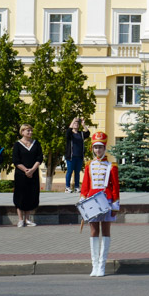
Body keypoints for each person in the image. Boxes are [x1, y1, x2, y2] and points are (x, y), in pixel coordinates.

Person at [80, 132, 120, 277]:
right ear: (92, 149)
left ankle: (102, 265)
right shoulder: (89, 165)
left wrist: (116, 204)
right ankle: (94, 265)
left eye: (100, 147)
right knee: (93, 232)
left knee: (106, 231)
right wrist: (82, 200)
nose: (98, 150)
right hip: (91, 202)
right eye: (96, 148)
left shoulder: (111, 165)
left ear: (105, 148)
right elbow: (85, 185)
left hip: (107, 201)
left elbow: (115, 186)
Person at [11, 124, 42, 227]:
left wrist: (32, 170)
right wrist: (25, 170)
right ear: (22, 132)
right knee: (21, 195)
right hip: (21, 174)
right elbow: (16, 160)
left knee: (31, 194)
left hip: (33, 173)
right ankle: (20, 219)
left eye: (31, 131)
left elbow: (39, 158)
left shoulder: (36, 143)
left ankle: (28, 219)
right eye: (28, 131)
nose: (30, 132)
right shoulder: (17, 144)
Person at [63, 117, 86, 193]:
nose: (76, 124)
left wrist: (83, 124)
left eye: (77, 123)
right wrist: (73, 120)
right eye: (74, 123)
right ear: (72, 125)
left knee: (77, 172)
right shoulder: (70, 134)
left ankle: (76, 187)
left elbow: (88, 133)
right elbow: (68, 132)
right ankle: (67, 187)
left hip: (79, 156)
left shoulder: (81, 134)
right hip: (71, 156)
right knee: (69, 171)